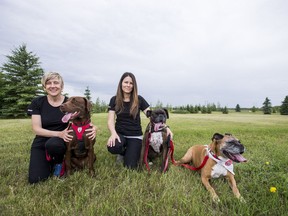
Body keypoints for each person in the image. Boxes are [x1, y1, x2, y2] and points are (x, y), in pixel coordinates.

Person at [27, 72, 96, 184]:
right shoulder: (37, 102)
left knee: (54, 144)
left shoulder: (69, 101)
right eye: (48, 83)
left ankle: (58, 163)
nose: (52, 85)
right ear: (44, 86)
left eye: (56, 82)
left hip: (58, 142)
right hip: (43, 140)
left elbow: (85, 119)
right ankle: (48, 162)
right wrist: (59, 134)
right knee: (36, 179)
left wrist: (94, 128)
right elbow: (36, 129)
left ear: (62, 86)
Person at [107, 72, 173, 169]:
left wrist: (166, 128)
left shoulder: (139, 99)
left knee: (131, 166)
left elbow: (152, 115)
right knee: (113, 146)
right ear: (121, 83)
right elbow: (110, 120)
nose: (128, 85)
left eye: (131, 83)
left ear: (134, 85)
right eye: (126, 82)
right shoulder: (114, 99)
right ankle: (121, 152)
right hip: (120, 134)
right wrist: (113, 133)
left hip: (135, 135)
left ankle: (129, 151)